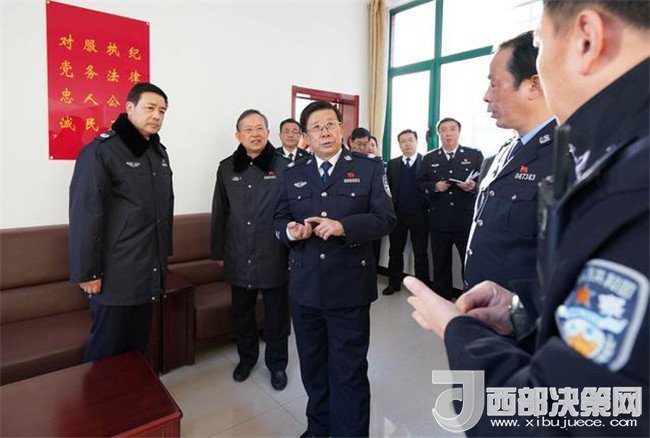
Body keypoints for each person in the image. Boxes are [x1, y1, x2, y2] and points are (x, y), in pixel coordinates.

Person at [407, 1, 649, 436]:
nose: (485, 96)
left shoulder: (627, 176)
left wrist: (455, 330)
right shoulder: (614, 150)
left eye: (540, 43)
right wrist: (523, 308)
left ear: (587, 38)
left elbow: (564, 416)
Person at [273, 101, 395, 437]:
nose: (325, 132)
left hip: (349, 289)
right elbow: (279, 219)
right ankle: (318, 428)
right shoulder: (293, 173)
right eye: (317, 127)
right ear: (306, 137)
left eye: (331, 124)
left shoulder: (369, 168)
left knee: (349, 371)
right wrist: (290, 232)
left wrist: (344, 227)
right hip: (305, 289)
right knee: (313, 368)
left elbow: (386, 219)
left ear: (341, 129)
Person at [69, 82, 173, 362]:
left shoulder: (158, 153)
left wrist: (163, 258)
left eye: (162, 111)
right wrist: (88, 272)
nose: (157, 116)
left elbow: (164, 208)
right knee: (107, 349)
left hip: (148, 268)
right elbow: (84, 214)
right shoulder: (101, 151)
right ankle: (98, 393)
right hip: (115, 272)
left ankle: (135, 392)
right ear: (129, 108)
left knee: (137, 347)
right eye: (150, 108)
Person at [464, 31, 561, 307]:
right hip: (482, 309)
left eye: (494, 84)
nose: (486, 96)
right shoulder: (504, 152)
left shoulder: (567, 157)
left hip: (521, 320)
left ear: (534, 86)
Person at [211, 109, 291, 390]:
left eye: (260, 128)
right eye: (248, 129)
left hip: (274, 252)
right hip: (238, 251)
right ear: (238, 135)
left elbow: (292, 212)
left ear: (268, 133)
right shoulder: (226, 167)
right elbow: (220, 212)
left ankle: (277, 365)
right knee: (242, 312)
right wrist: (218, 252)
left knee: (277, 314)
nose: (255, 134)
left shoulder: (284, 167)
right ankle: (246, 359)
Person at [417, 118, 483, 300]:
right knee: (440, 264)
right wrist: (435, 187)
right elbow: (420, 183)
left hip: (465, 220)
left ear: (459, 132)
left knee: (469, 264)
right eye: (444, 130)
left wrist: (474, 187)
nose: (448, 133)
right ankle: (443, 299)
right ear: (439, 134)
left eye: (452, 129)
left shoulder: (474, 155)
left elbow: (484, 182)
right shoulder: (429, 158)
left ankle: (470, 300)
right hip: (439, 220)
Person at [383, 129, 429, 295]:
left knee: (420, 253)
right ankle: (393, 284)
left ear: (416, 141)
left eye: (410, 140)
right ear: (399, 144)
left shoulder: (426, 162)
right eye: (403, 141)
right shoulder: (393, 164)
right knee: (395, 251)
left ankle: (422, 289)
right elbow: (388, 189)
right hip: (398, 214)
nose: (407, 144)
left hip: (420, 214)